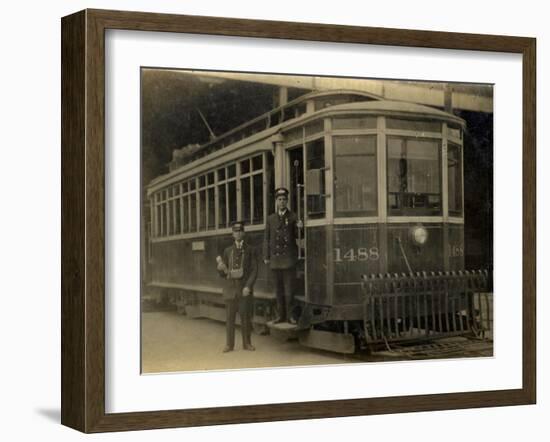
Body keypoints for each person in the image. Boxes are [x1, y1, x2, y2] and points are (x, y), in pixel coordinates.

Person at [263, 187, 303, 324]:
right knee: (278, 290)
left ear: (287, 201)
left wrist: (300, 228)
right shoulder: (270, 219)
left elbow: (299, 236)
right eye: (279, 199)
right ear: (276, 201)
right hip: (275, 259)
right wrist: (266, 256)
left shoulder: (293, 217)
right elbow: (267, 239)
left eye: (284, 200)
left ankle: (290, 317)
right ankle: (280, 316)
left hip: (288, 259)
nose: (282, 202)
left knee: (289, 290)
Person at [216, 221, 258, 353]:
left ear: (243, 233)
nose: (238, 233)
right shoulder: (227, 251)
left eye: (240, 231)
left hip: (244, 290)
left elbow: (254, 270)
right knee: (230, 318)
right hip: (230, 290)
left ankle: (247, 343)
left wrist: (248, 286)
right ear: (232, 234)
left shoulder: (250, 250)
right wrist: (220, 269)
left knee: (245, 317)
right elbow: (223, 274)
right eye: (235, 231)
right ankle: (229, 345)